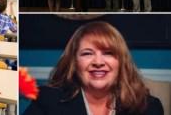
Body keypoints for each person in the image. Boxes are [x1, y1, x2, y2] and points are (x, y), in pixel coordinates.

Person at [23, 21, 164, 115]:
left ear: (121, 61)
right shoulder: (48, 100)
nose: (98, 62)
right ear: (75, 61)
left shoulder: (149, 108)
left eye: (108, 53)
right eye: (87, 53)